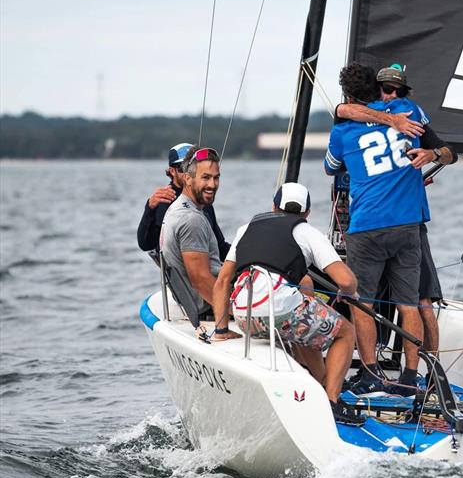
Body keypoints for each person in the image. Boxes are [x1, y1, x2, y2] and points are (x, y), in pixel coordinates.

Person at [211, 182, 363, 426]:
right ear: (307, 213)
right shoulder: (307, 232)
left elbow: (222, 281)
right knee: (344, 331)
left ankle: (319, 385)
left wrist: (220, 330)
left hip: (243, 315)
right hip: (279, 311)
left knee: (305, 323)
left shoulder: (246, 228)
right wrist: (348, 292)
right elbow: (346, 280)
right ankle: (332, 402)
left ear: (273, 206)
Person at [335, 64, 458, 360]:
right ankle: (397, 366)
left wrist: (432, 154)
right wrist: (391, 120)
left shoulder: (409, 113)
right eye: (386, 89)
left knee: (420, 298)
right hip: (382, 221)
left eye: (397, 91)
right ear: (375, 91)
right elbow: (343, 109)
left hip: (407, 223)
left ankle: (429, 371)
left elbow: (450, 153)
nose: (391, 95)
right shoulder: (389, 115)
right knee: (394, 300)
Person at [324, 62, 428, 396]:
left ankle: (371, 374)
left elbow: (330, 167)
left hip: (367, 226)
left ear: (349, 95)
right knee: (408, 304)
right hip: (407, 224)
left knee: (362, 303)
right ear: (379, 88)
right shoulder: (405, 110)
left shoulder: (342, 129)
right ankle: (410, 377)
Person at [137, 142, 229, 260]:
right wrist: (149, 208)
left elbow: (220, 247)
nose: (188, 172)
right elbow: (146, 244)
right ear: (172, 171)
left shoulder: (202, 199)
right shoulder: (164, 199)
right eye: (182, 168)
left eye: (192, 167)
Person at [159, 146, 224, 316]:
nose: (212, 185)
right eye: (206, 178)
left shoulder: (180, 207)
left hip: (205, 298)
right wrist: (237, 314)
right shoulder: (191, 219)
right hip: (209, 307)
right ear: (188, 179)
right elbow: (201, 281)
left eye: (216, 178)